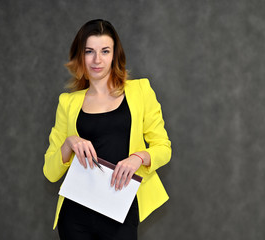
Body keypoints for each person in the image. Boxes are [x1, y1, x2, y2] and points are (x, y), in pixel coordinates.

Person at [43, 19, 171, 240]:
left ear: (115, 54)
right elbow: (50, 172)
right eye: (89, 51)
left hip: (121, 210)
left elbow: (164, 148)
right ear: (79, 56)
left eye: (105, 51)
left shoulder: (141, 91)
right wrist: (69, 143)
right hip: (76, 216)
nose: (97, 59)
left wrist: (139, 158)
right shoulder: (67, 102)